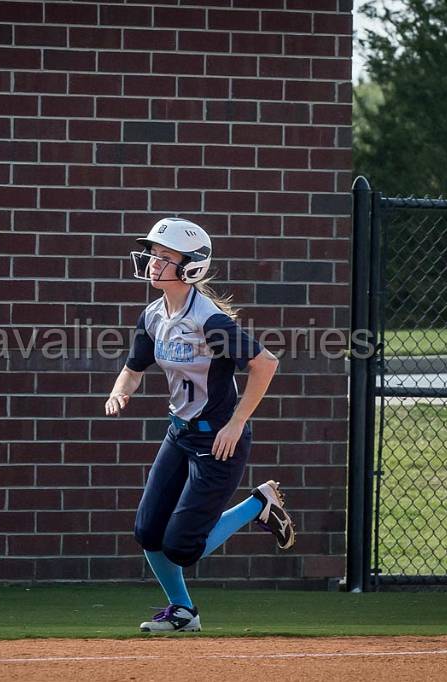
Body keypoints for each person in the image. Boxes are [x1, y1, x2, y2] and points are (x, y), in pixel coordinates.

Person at [105, 217, 295, 633]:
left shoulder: (209, 321)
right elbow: (133, 368)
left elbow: (265, 364)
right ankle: (183, 613)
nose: (153, 262)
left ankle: (259, 506)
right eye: (153, 254)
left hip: (218, 442)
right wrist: (121, 390)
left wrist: (236, 422)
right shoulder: (153, 315)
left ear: (191, 266)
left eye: (165, 256)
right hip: (180, 433)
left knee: (181, 547)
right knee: (148, 531)